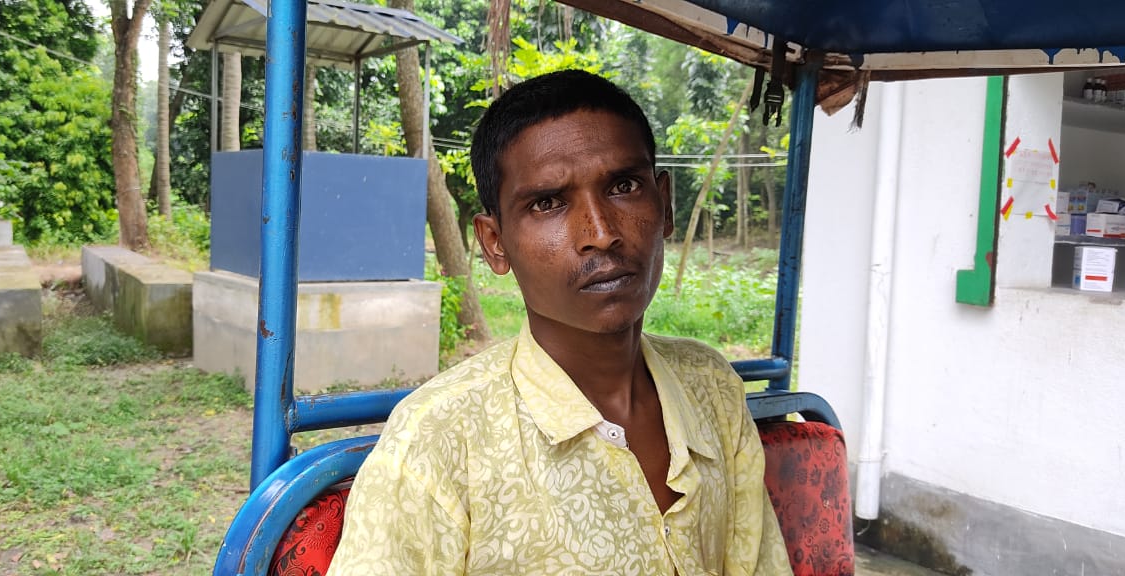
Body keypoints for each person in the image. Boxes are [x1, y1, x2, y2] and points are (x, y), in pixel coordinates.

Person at [328, 69, 791, 575]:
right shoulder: (437, 439)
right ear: (495, 243)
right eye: (547, 203)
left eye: (623, 186)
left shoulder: (712, 386)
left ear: (664, 204)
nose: (600, 233)